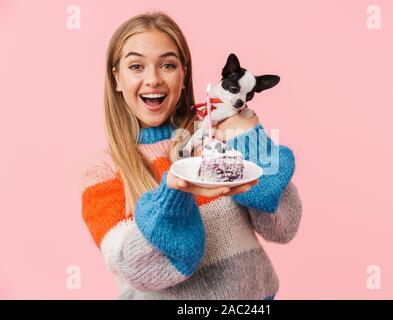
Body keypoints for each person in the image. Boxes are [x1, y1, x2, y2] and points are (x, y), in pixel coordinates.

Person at [81, 12, 302, 300]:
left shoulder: (214, 138)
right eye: (136, 66)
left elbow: (283, 225)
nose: (153, 79)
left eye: (168, 65)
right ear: (117, 79)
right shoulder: (104, 171)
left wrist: (248, 140)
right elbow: (139, 269)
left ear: (183, 75)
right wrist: (174, 194)